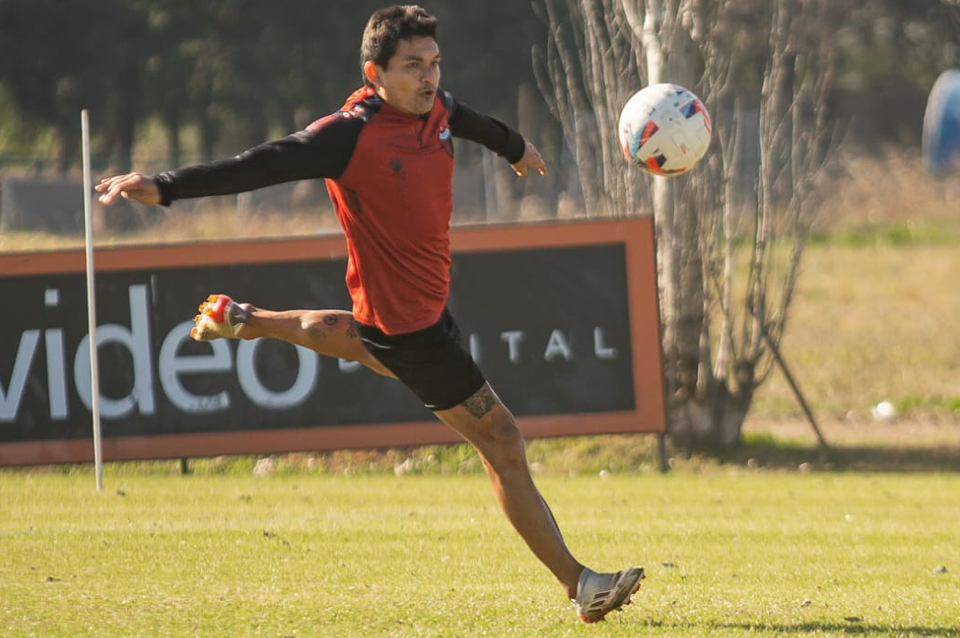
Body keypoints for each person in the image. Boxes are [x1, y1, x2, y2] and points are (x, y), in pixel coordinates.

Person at [96, 5, 643, 623]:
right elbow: (260, 164)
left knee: (361, 339)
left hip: (404, 317)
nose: (428, 76)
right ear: (374, 73)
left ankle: (246, 319)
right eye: (412, 66)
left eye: (433, 63)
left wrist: (513, 146)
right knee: (502, 441)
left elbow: (464, 117)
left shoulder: (434, 109)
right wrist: (166, 185)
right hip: (412, 332)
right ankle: (581, 584)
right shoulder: (347, 135)